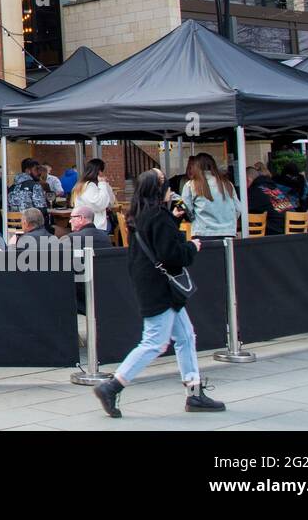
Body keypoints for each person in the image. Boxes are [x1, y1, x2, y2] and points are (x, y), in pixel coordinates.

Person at [93, 171, 224, 417]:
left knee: (186, 336)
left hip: (151, 285)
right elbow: (171, 254)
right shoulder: (158, 216)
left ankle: (194, 392)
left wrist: (172, 221)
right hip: (161, 289)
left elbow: (155, 243)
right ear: (159, 190)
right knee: (154, 342)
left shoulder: (140, 216)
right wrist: (191, 247)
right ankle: (113, 385)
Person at [182, 153, 239, 240]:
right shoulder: (228, 184)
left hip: (203, 232)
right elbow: (238, 208)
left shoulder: (191, 185)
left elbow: (187, 210)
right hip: (228, 232)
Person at [247, 165, 296, 235]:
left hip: (277, 234)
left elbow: (240, 212)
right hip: (294, 229)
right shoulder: (274, 187)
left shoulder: (254, 191)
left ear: (247, 180)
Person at [69, 158, 112, 231]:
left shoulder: (82, 185)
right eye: (103, 171)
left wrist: (105, 185)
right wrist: (103, 183)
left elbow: (110, 201)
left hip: (85, 224)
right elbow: (100, 204)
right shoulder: (89, 186)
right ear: (99, 172)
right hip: (96, 225)